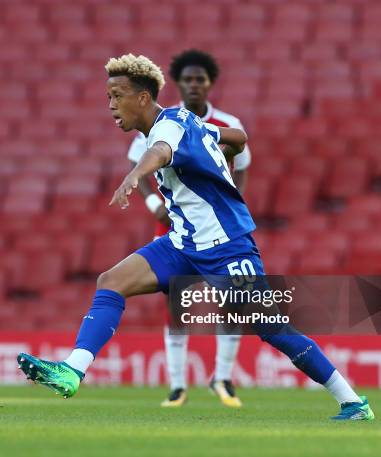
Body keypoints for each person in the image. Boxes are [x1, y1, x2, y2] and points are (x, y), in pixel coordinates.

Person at [18, 54, 374, 420]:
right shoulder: (186, 120)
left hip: (226, 246)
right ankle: (73, 370)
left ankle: (353, 402)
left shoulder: (167, 126)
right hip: (185, 243)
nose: (111, 105)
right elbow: (239, 137)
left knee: (271, 327)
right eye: (108, 97)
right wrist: (224, 147)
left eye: (118, 96)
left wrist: (132, 177)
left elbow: (160, 151)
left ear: (142, 98)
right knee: (112, 280)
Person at [127, 49, 250, 408]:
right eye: (188, 79)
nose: (194, 84)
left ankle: (223, 378)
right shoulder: (161, 122)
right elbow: (141, 164)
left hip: (219, 227)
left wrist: (230, 205)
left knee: (236, 300)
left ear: (210, 83)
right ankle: (178, 386)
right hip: (174, 223)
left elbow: (241, 163)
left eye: (201, 79)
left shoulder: (226, 122)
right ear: (178, 83)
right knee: (175, 300)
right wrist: (153, 204)